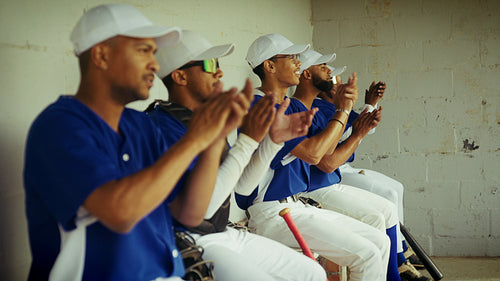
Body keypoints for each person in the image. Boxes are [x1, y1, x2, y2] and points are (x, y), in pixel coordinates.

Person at [23, 4, 249, 281]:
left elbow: (189, 213)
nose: (154, 64)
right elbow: (120, 212)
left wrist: (214, 140)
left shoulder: (140, 125)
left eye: (154, 52)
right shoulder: (59, 125)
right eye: (143, 51)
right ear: (102, 55)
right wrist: (194, 139)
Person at [146, 30, 326, 281]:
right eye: (209, 64)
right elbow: (201, 210)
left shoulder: (205, 118)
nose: (218, 72)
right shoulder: (162, 128)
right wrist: (247, 141)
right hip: (192, 240)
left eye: (217, 64)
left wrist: (273, 141)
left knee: (313, 273)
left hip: (224, 232)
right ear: (180, 76)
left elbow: (242, 187)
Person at [235, 33, 391, 281]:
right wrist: (343, 109)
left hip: (296, 204)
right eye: (292, 57)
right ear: (270, 66)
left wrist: (348, 113)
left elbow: (327, 152)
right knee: (367, 254)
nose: (299, 63)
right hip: (271, 212)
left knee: (380, 242)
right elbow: (313, 154)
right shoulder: (259, 105)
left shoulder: (291, 104)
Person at [320, 68, 427, 280]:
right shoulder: (320, 106)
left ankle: (401, 247)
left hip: (343, 165)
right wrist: (364, 110)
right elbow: (348, 132)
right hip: (332, 170)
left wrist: (371, 103)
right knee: (388, 193)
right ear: (323, 90)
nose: (340, 88)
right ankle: (398, 259)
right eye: (335, 84)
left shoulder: (334, 105)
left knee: (397, 187)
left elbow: (362, 127)